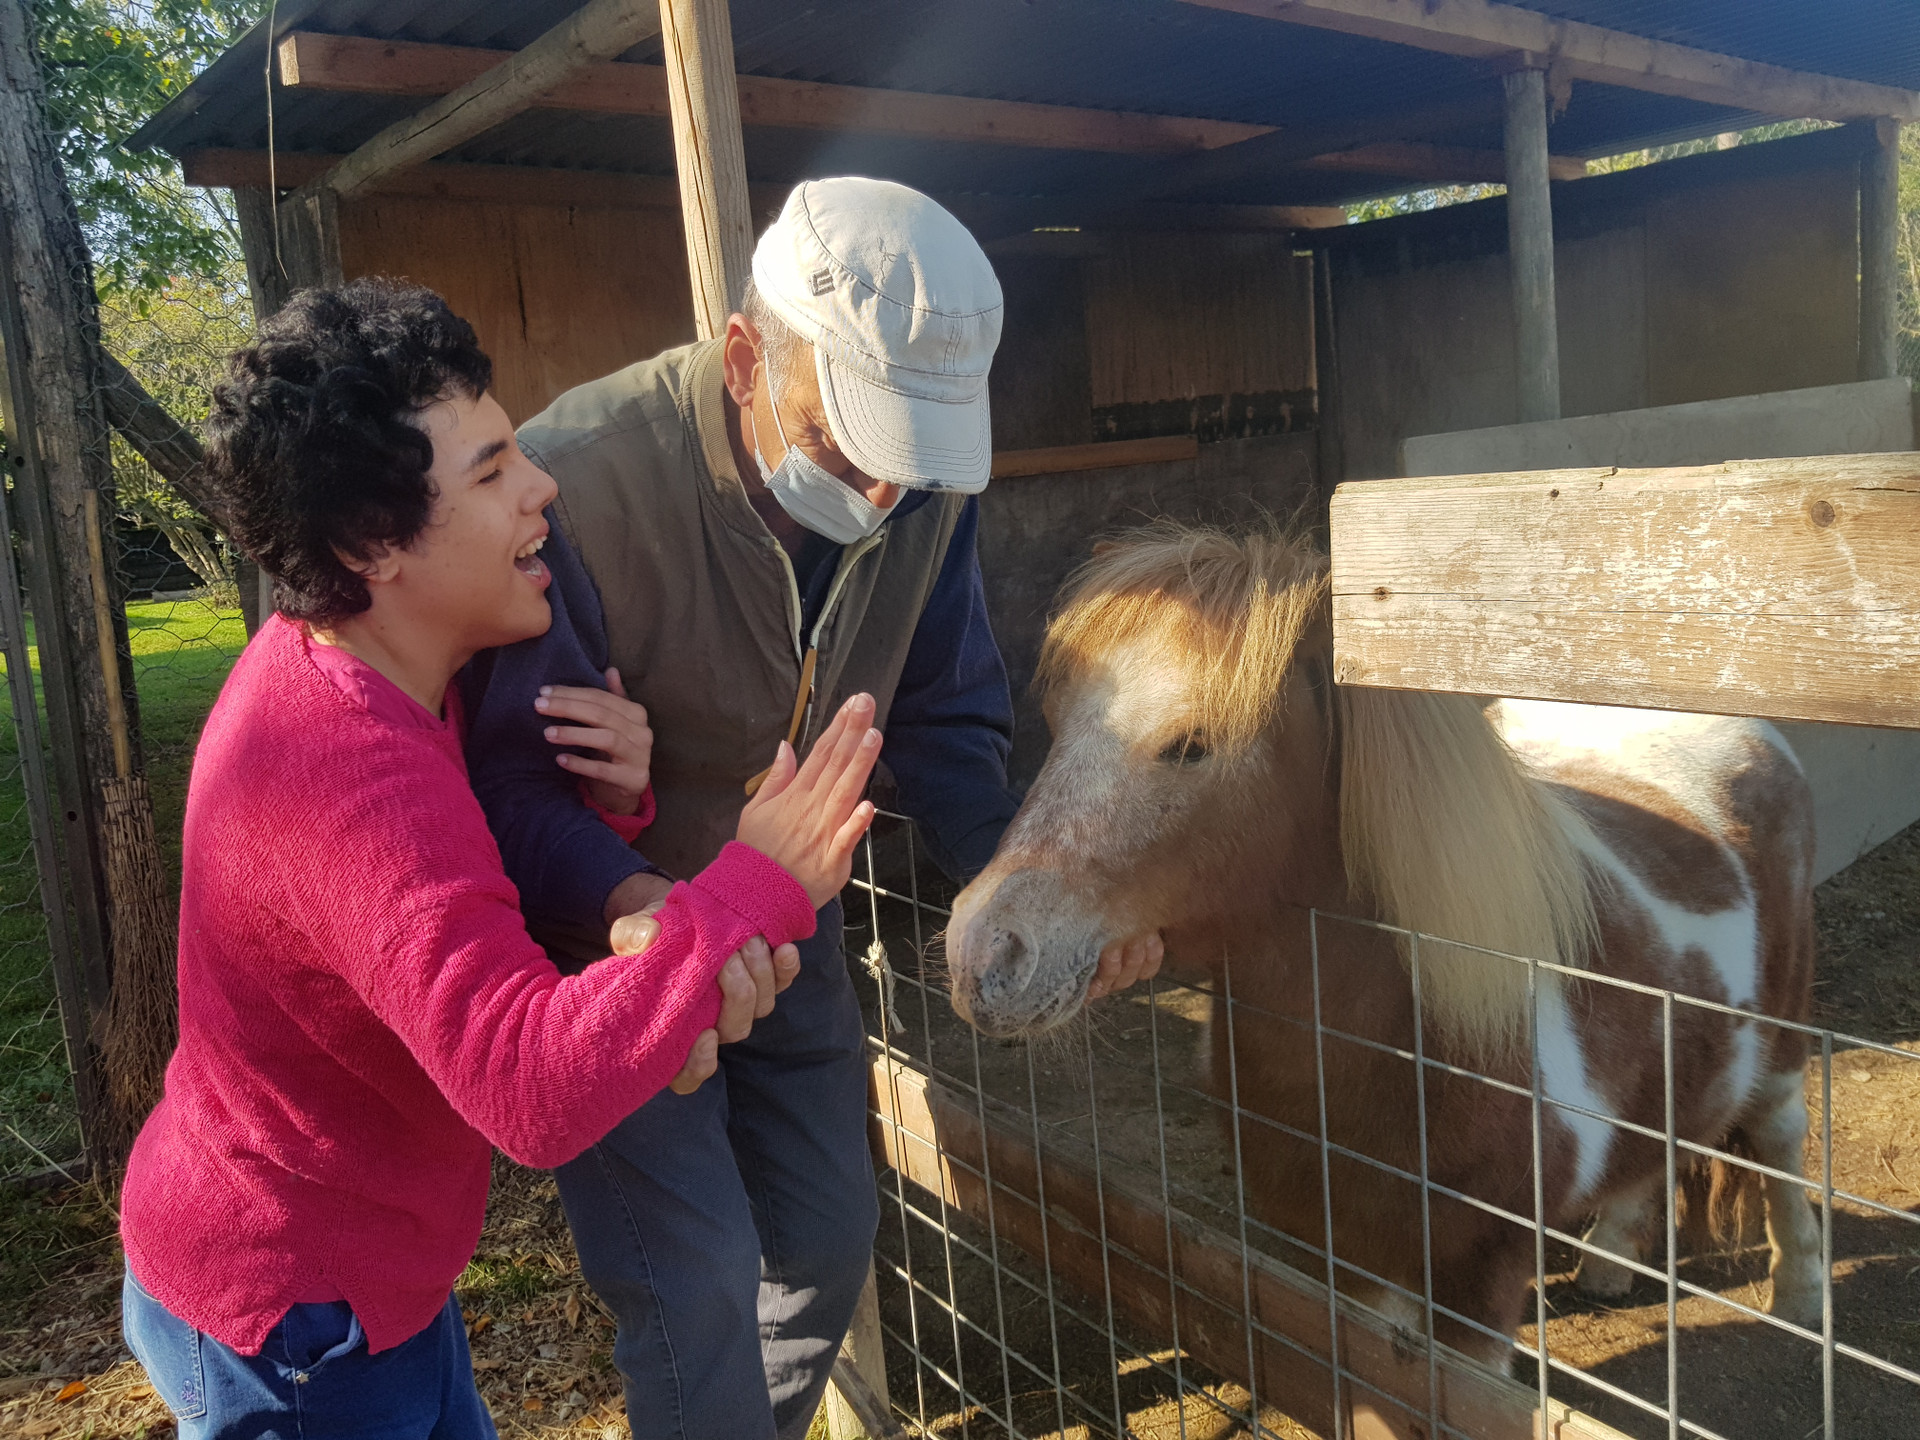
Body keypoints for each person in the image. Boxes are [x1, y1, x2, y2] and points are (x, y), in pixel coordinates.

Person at [117, 278, 884, 1438]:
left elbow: (460, 875)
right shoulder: (338, 771)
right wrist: (752, 885)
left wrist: (613, 811)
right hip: (294, 1326)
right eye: (490, 472)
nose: (542, 487)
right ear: (374, 543)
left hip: (375, 1281)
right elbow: (525, 1086)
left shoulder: (388, 682)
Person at [463, 177, 1164, 1439]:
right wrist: (641, 915)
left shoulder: (925, 484)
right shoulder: (578, 491)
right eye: (847, 445)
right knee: (695, 1284)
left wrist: (1026, 893)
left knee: (826, 1244)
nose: (883, 497)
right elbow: (507, 785)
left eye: (911, 463)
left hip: (792, 930)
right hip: (620, 945)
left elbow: (947, 716)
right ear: (742, 357)